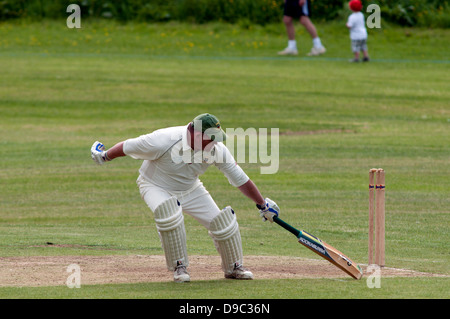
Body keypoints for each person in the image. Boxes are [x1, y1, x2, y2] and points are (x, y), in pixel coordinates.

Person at [90, 113, 280, 283]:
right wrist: (104, 156)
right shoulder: (164, 140)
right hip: (155, 186)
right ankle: (179, 266)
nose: (215, 143)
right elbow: (128, 146)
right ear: (195, 133)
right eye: (210, 138)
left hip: (191, 189)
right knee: (169, 214)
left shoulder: (217, 150)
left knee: (224, 223)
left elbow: (240, 178)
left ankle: (234, 267)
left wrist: (262, 204)